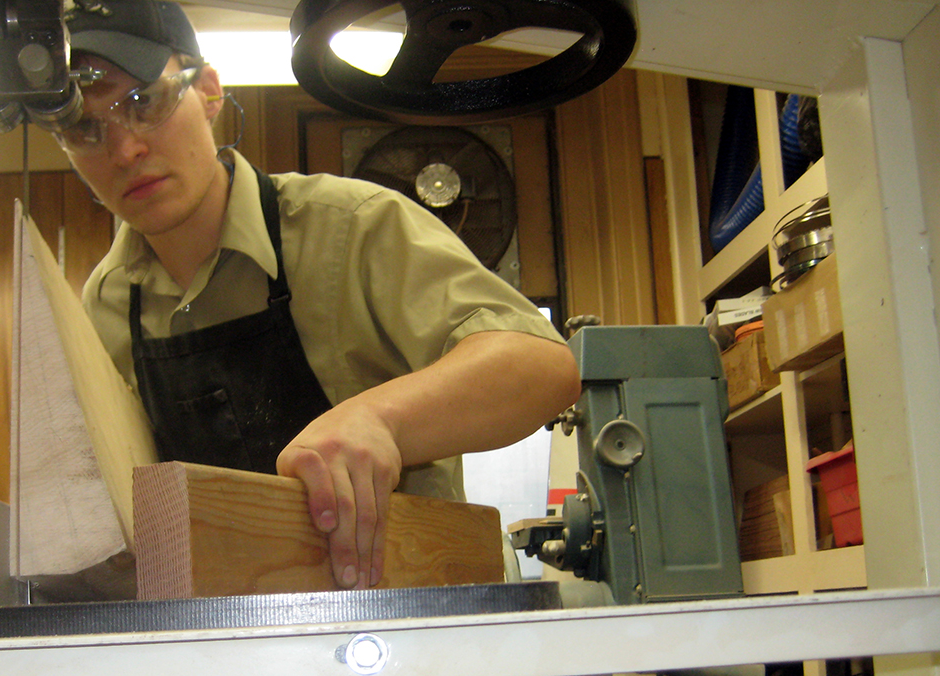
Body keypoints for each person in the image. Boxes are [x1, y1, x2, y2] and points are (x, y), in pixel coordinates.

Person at [60, 0, 581, 595]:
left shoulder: (352, 226)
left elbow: (542, 368)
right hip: (227, 654)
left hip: (408, 637)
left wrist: (377, 419)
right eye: (85, 129)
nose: (124, 150)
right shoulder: (105, 303)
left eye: (144, 104)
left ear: (206, 92)